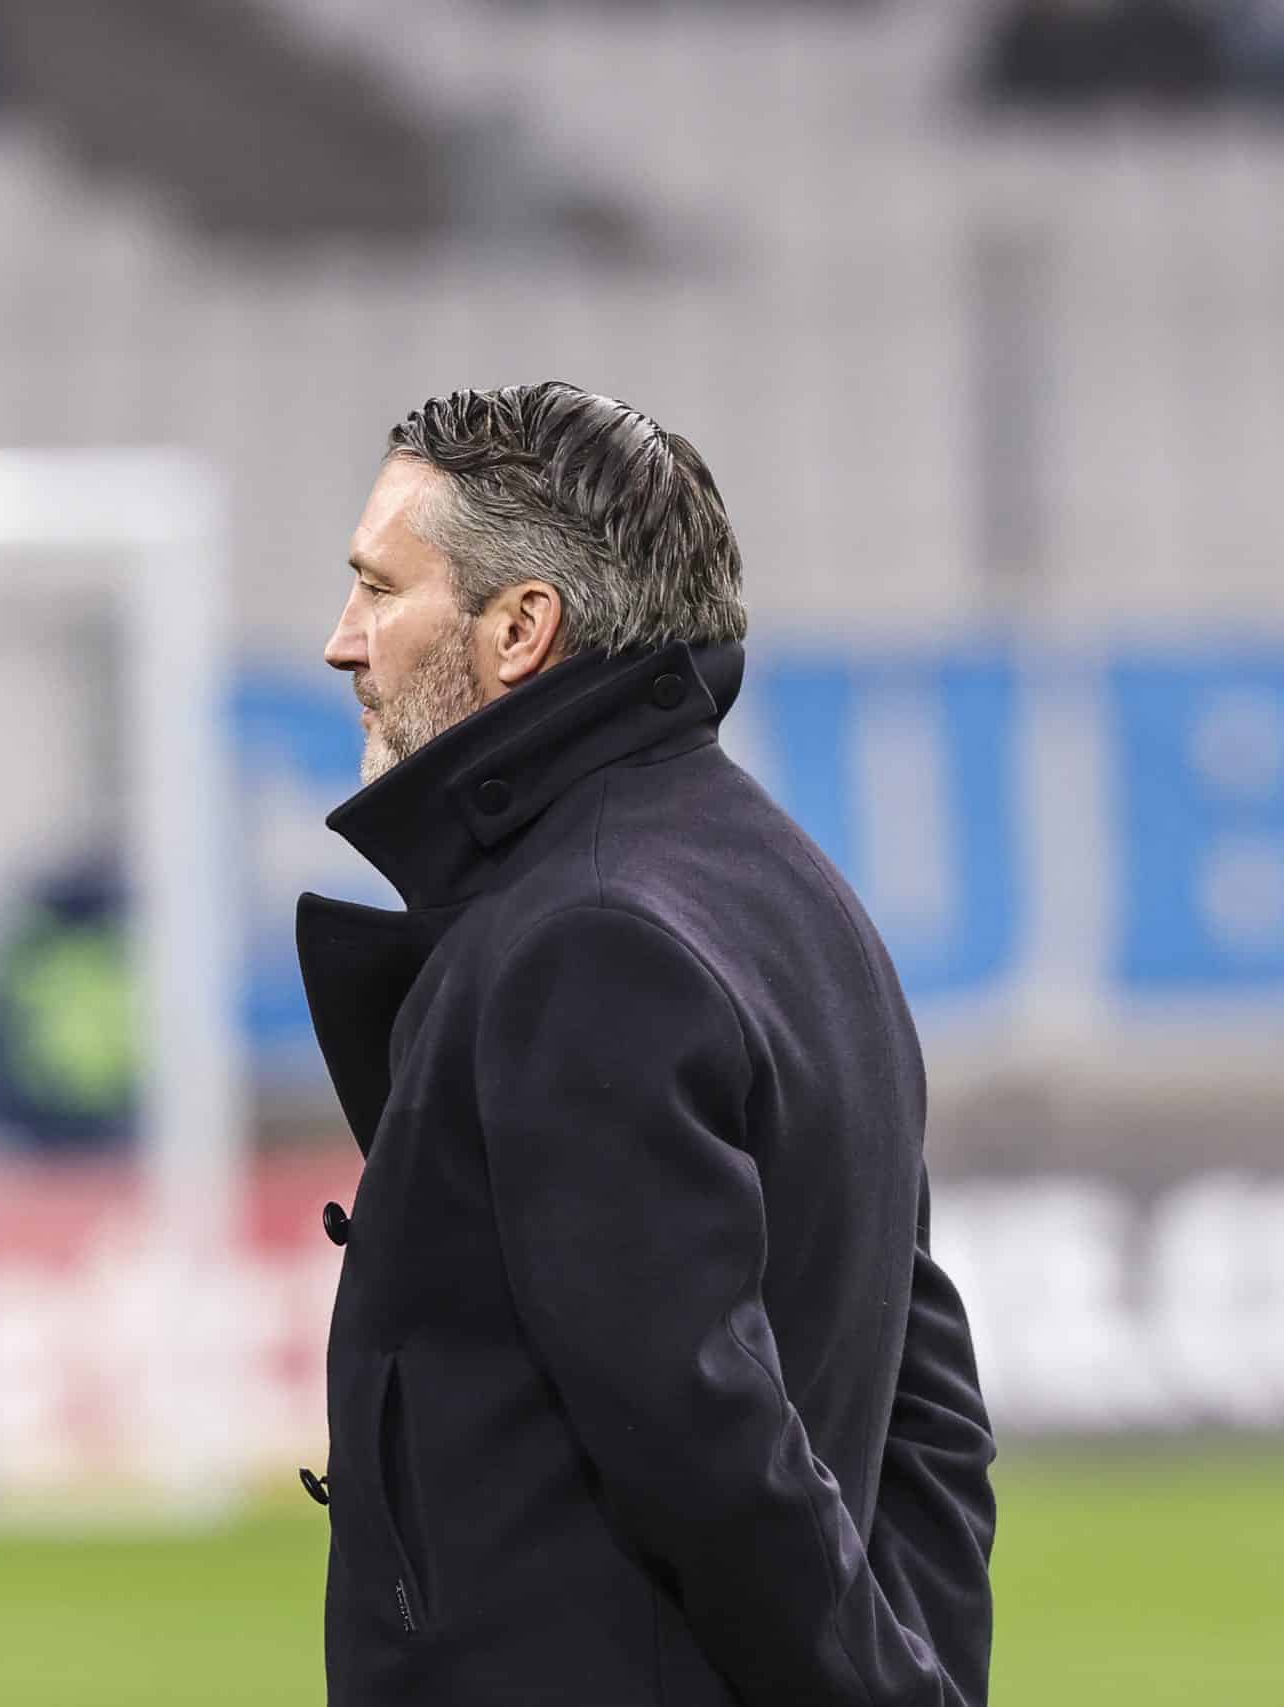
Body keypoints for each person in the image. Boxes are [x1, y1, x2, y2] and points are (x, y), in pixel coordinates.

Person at [298, 384, 998, 1706]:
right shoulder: (797, 897)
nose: (344, 644)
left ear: (519, 630)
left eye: (380, 590)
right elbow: (933, 1408)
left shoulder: (583, 942)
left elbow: (706, 1443)